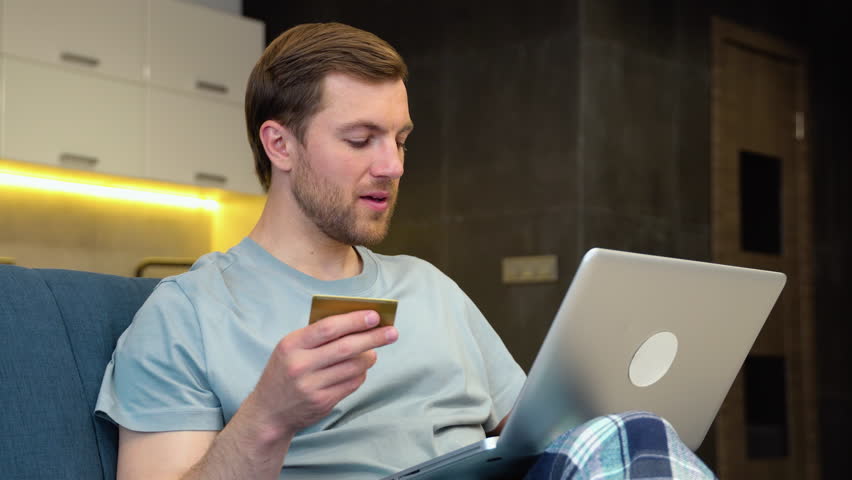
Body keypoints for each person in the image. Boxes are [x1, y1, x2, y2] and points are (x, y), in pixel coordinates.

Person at [95, 22, 715, 480]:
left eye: (399, 139)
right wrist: (269, 416)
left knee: (634, 434)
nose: (391, 166)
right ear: (279, 145)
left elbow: (542, 438)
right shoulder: (187, 314)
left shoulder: (429, 287)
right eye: (361, 139)